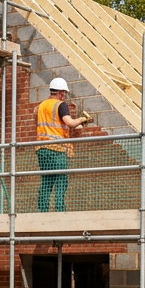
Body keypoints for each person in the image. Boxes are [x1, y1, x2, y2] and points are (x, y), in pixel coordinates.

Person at [37, 77, 91, 212]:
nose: (65, 96)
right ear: (60, 92)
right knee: (61, 180)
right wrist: (83, 119)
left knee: (47, 181)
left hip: (42, 149)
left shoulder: (41, 106)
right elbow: (70, 122)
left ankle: (42, 212)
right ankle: (60, 211)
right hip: (56, 149)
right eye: (64, 93)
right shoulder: (60, 105)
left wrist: (78, 125)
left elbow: (50, 124)